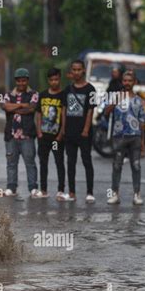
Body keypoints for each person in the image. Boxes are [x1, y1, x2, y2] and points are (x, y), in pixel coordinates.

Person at [105, 71, 145, 205]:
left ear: (135, 82)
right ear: (122, 82)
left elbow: (142, 121)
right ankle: (115, 194)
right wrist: (115, 102)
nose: (127, 83)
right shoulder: (115, 96)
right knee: (116, 165)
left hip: (135, 137)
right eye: (125, 80)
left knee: (136, 165)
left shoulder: (139, 100)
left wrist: (143, 142)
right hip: (119, 136)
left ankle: (137, 194)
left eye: (130, 81)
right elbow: (106, 112)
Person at [2, 68, 39, 198]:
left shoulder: (34, 93)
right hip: (11, 135)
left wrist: (15, 108)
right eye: (19, 81)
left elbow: (32, 108)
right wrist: (23, 105)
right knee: (11, 163)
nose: (21, 83)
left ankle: (33, 188)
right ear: (16, 81)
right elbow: (5, 107)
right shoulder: (8, 94)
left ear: (27, 80)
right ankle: (11, 187)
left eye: (24, 80)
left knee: (30, 162)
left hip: (27, 134)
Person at [63, 60, 96, 203]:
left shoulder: (91, 89)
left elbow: (90, 110)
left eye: (79, 70)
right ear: (71, 71)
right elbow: (64, 110)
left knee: (87, 161)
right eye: (74, 70)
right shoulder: (67, 89)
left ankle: (89, 192)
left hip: (84, 133)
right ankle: (71, 192)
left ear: (83, 71)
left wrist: (86, 129)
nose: (76, 72)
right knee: (70, 162)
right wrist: (63, 129)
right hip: (70, 132)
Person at [36, 67, 68, 201]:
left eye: (56, 79)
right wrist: (38, 131)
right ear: (48, 80)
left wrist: (61, 132)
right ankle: (43, 190)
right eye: (51, 80)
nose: (54, 82)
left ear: (59, 79)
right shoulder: (42, 95)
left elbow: (64, 114)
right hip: (44, 135)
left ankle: (61, 190)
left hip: (57, 137)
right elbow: (38, 113)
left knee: (59, 162)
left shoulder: (63, 95)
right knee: (43, 163)